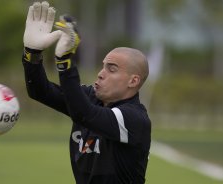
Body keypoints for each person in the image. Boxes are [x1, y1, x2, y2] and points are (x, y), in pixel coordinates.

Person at [22, 1, 151, 184]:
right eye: (102, 66)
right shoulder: (91, 98)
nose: (101, 73)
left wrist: (65, 61)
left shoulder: (133, 118)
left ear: (133, 81)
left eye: (111, 69)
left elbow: (84, 114)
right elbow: (40, 91)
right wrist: (32, 53)